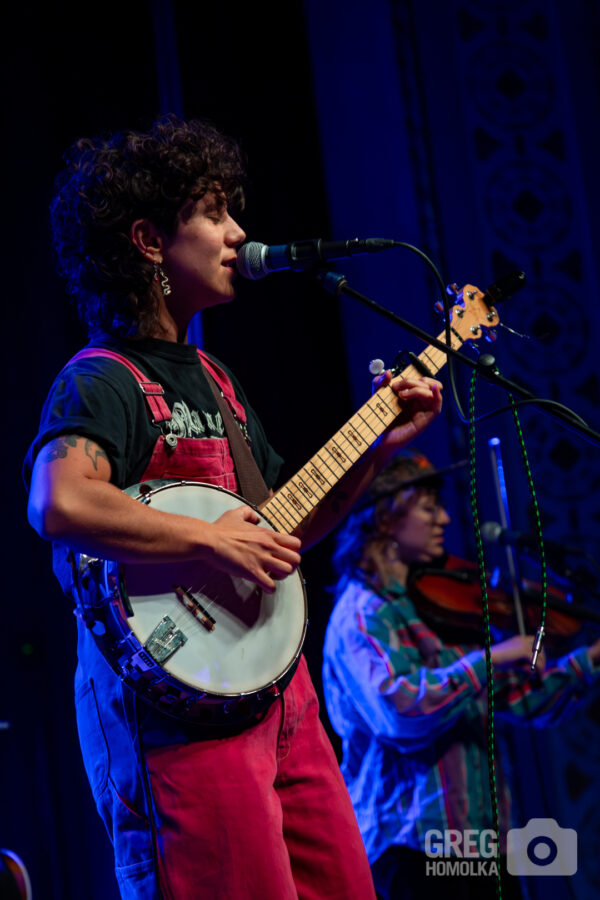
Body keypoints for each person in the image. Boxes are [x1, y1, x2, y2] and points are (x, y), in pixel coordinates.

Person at [23, 115, 443, 900]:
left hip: (279, 696)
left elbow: (282, 529)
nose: (238, 232)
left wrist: (378, 443)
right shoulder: (102, 379)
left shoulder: (218, 381)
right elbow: (59, 500)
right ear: (149, 241)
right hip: (176, 719)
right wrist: (208, 541)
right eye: (214, 211)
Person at [322, 452, 600, 900]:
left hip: (483, 843)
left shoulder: (440, 605)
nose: (445, 519)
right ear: (386, 518)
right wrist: (491, 658)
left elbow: (524, 699)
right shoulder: (363, 611)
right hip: (411, 846)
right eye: (429, 508)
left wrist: (592, 658)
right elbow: (401, 712)